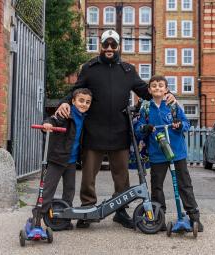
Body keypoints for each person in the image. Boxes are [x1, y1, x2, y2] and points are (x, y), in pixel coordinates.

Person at [56, 30, 176, 229]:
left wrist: (167, 94)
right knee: (88, 175)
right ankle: (87, 210)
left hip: (120, 130)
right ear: (101, 45)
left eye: (113, 45)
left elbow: (145, 91)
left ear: (118, 46)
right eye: (106, 44)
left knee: (121, 176)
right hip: (94, 129)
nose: (109, 48)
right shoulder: (89, 68)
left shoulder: (127, 70)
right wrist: (63, 103)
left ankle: (120, 211)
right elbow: (75, 90)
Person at [135, 75, 203, 232]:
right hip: (157, 153)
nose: (157, 88)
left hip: (177, 152)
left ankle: (194, 218)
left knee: (184, 184)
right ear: (149, 90)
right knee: (156, 186)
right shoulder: (146, 108)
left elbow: (186, 123)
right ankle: (159, 218)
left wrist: (179, 126)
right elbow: (138, 129)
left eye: (160, 85)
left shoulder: (173, 105)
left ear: (166, 89)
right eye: (154, 86)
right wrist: (144, 128)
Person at [36, 88, 92, 230]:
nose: (84, 104)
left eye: (87, 102)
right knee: (48, 189)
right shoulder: (66, 113)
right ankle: (36, 218)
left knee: (69, 190)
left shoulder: (86, 118)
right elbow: (53, 119)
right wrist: (47, 124)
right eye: (81, 101)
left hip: (71, 161)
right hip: (57, 158)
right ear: (73, 101)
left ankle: (65, 219)